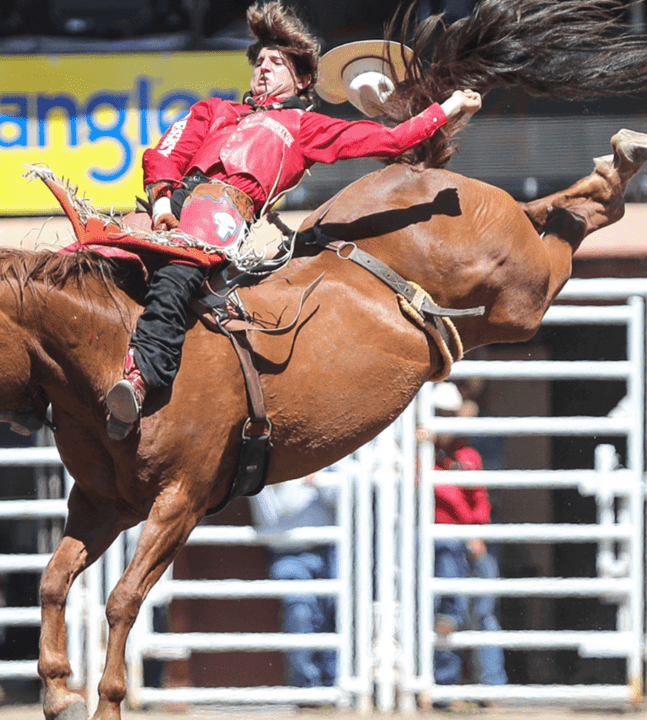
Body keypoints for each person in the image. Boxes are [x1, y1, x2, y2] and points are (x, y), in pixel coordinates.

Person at [102, 0, 483, 440]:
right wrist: (163, 203)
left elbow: (393, 139)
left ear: (302, 80)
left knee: (175, 276)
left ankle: (139, 381)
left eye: (277, 62)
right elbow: (165, 154)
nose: (263, 68)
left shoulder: (306, 127)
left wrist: (449, 107)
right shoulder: (213, 110)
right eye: (260, 61)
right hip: (171, 204)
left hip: (224, 212)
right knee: (90, 255)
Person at [430, 381, 506, 688]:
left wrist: (476, 533)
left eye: (448, 414)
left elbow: (480, 498)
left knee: (482, 611)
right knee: (447, 610)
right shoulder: (422, 454)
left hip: (468, 538)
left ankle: (492, 684)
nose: (443, 420)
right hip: (442, 541)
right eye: (438, 414)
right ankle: (446, 686)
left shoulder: (467, 454)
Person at [249, 465, 342, 688]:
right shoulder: (263, 458)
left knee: (335, 613)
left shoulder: (327, 454)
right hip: (286, 549)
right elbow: (272, 517)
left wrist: (319, 480)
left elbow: (345, 496)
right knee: (300, 612)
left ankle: (332, 684)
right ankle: (306, 688)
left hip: (329, 546)